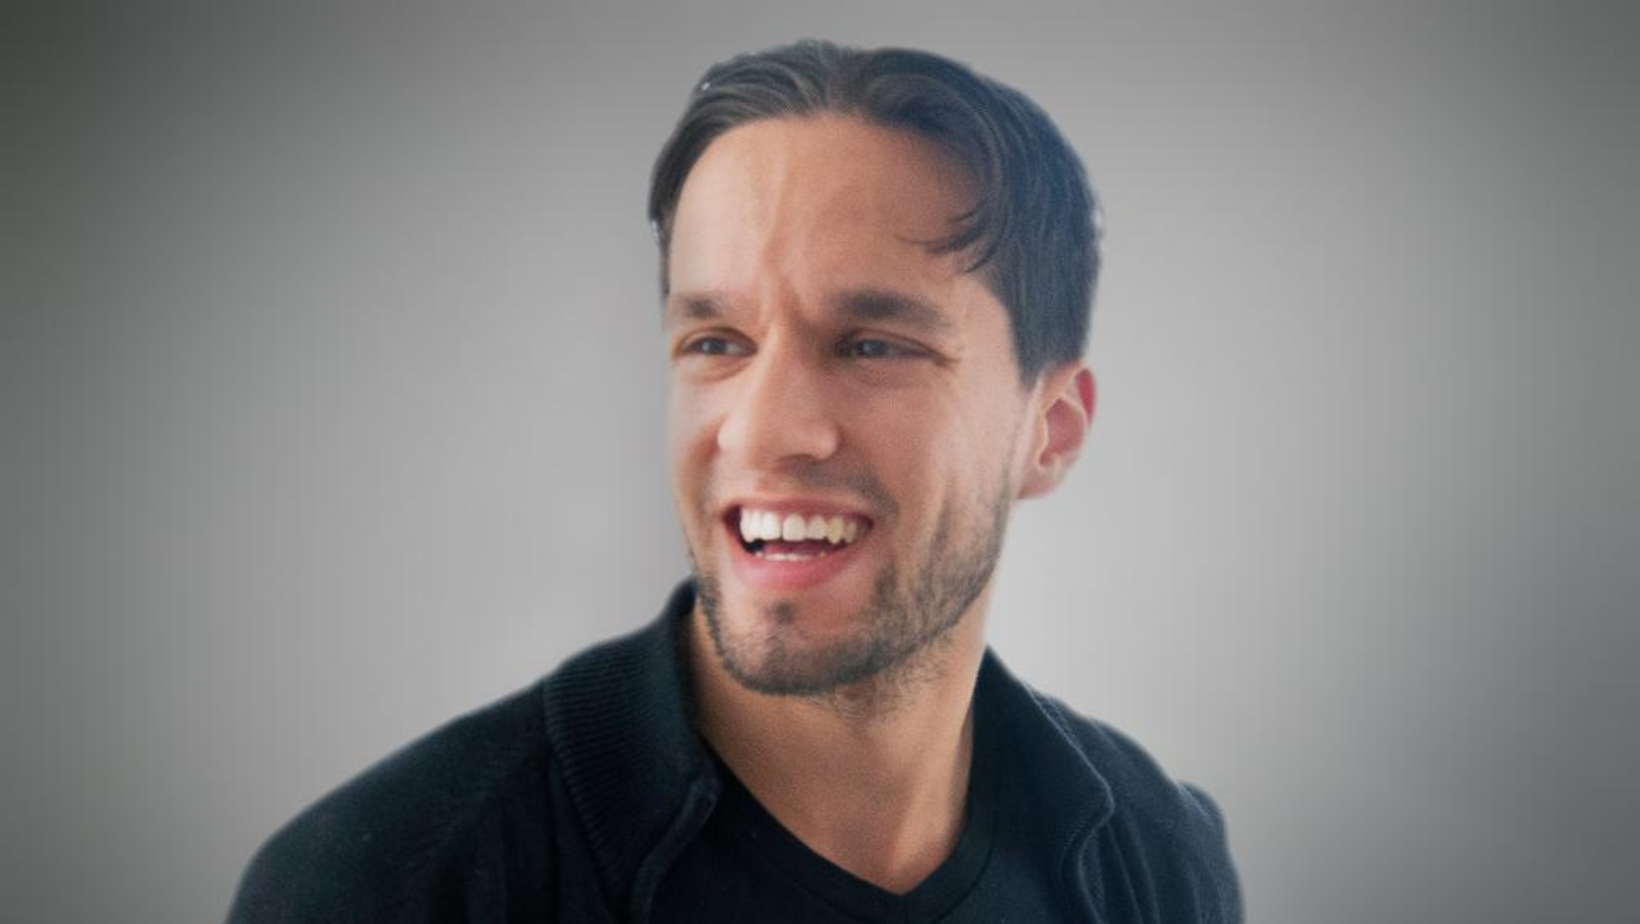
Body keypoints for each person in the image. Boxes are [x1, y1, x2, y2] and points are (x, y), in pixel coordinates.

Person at [226, 40, 1241, 924]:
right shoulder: (393, 889)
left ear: (1049, 431)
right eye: (716, 341)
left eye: (872, 344)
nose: (760, 428)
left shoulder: (1155, 858)